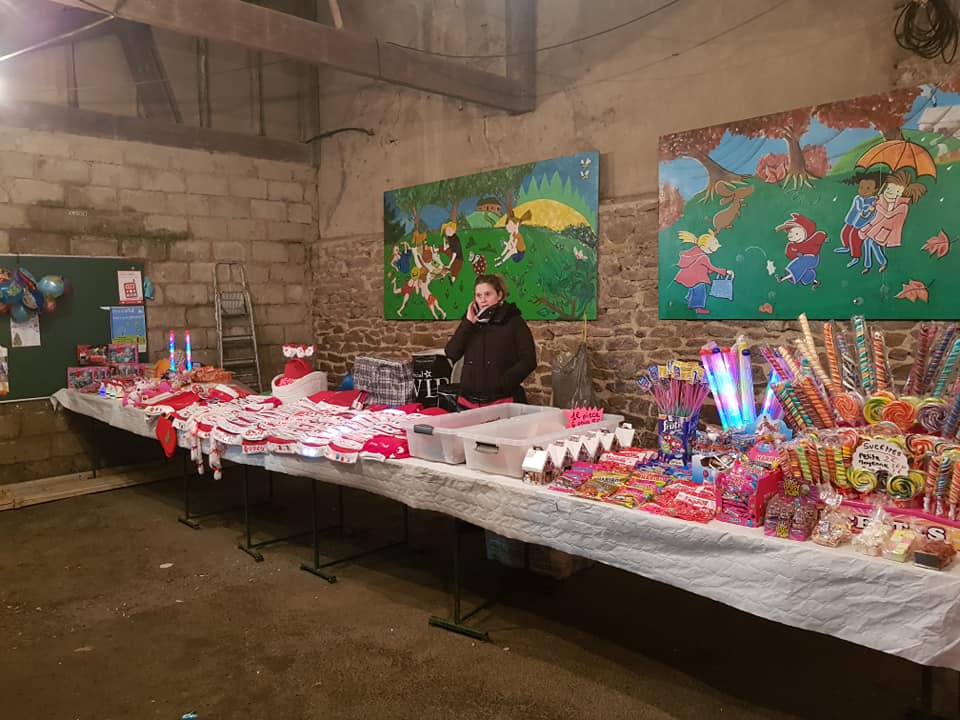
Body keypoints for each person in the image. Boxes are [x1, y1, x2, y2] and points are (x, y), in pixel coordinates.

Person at [445, 274, 537, 405]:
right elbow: (451, 353)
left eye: (488, 294)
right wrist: (467, 323)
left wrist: (503, 383)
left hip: (502, 400)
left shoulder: (514, 321)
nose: (483, 300)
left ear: (499, 295)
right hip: (469, 401)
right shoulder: (470, 323)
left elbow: (529, 360)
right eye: (478, 295)